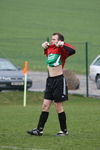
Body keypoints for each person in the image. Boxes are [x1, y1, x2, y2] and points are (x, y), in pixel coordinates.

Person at [27, 32, 76, 136]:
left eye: (54, 39)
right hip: (49, 80)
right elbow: (48, 53)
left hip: (59, 80)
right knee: (45, 105)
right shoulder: (50, 49)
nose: (52, 41)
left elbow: (73, 50)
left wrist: (62, 44)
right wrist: (44, 48)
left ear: (59, 40)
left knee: (58, 106)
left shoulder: (62, 50)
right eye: (52, 39)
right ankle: (39, 130)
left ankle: (64, 131)